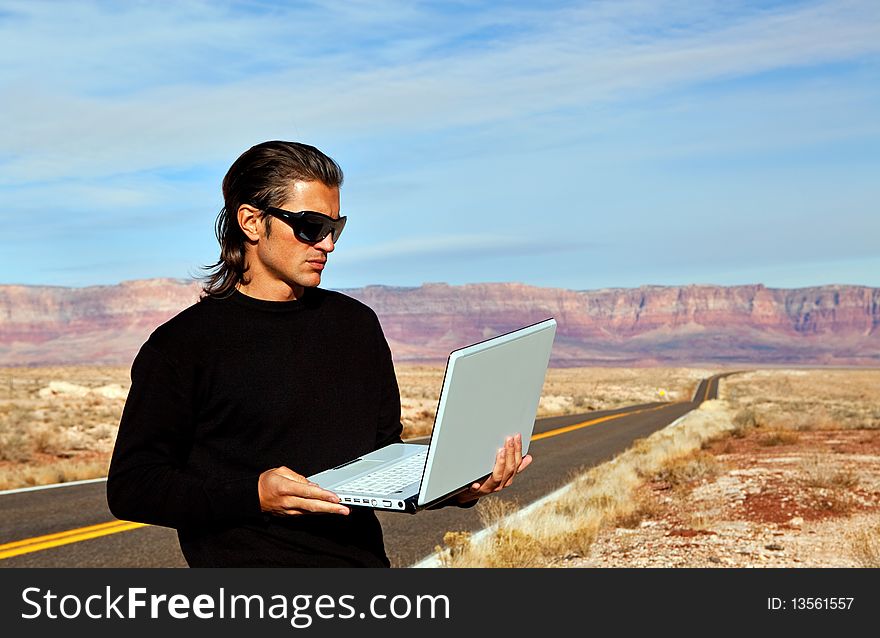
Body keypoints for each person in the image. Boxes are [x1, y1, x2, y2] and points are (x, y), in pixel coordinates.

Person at [106, 140, 531, 567]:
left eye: (335, 227)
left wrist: (458, 486)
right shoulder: (182, 346)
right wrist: (253, 495)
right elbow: (132, 486)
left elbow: (383, 454)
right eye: (310, 226)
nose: (327, 244)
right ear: (252, 222)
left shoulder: (356, 325)